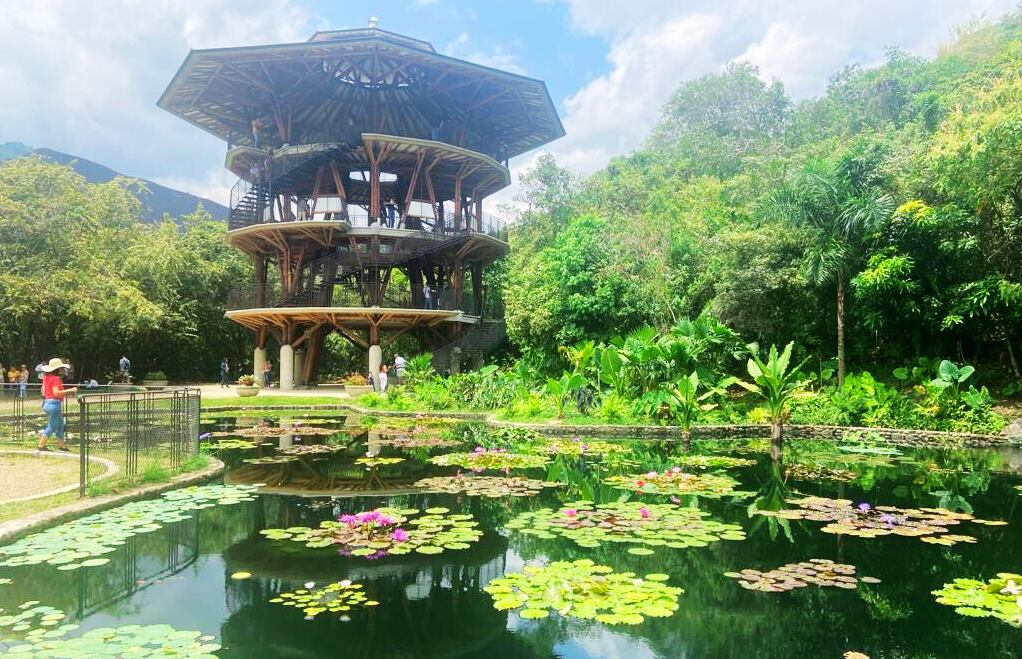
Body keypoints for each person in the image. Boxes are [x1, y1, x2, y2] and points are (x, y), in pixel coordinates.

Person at [38, 358, 77, 452]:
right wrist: (71, 390)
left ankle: (62, 446)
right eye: (61, 368)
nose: (63, 370)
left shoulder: (46, 377)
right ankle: (41, 445)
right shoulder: (55, 379)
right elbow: (56, 393)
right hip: (54, 404)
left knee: (60, 425)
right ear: (57, 370)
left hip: (47, 403)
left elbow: (43, 390)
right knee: (52, 426)